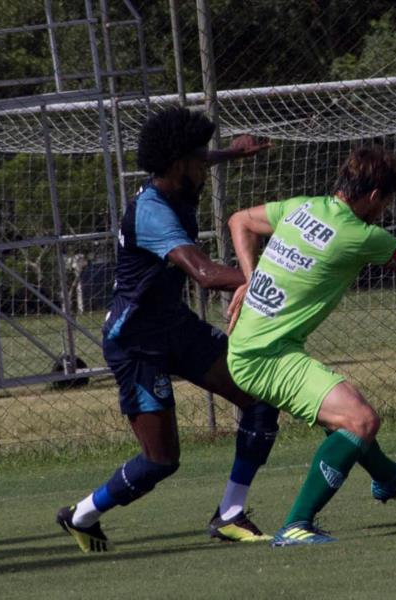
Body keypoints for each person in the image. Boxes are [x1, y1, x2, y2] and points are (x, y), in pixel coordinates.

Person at [226, 146, 396, 546]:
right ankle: (296, 525)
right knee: (360, 420)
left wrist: (248, 278)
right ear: (373, 197)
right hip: (263, 358)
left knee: (345, 418)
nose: (385, 211)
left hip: (258, 347)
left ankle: (388, 477)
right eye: (386, 203)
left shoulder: (303, 208)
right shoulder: (357, 235)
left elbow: (240, 220)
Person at [56, 105, 281, 553]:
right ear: (179, 165)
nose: (205, 166)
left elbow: (196, 158)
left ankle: (230, 513)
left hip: (175, 327)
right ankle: (81, 515)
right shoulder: (153, 213)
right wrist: (278, 276)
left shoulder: (176, 177)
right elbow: (206, 274)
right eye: (200, 161)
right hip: (136, 344)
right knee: (161, 461)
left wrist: (229, 154)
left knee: (260, 400)